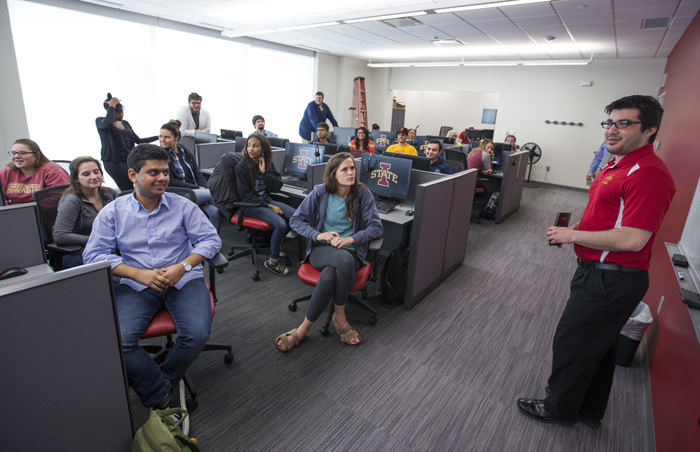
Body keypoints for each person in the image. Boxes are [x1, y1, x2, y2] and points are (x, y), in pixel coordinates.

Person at [517, 95, 675, 428]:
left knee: (572, 343)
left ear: (649, 130)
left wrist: (572, 237)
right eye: (609, 122)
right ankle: (589, 408)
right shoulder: (617, 165)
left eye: (624, 123)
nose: (612, 131)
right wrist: (574, 228)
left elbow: (634, 238)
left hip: (611, 279)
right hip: (602, 273)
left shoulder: (648, 173)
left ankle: (557, 409)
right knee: (599, 348)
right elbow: (603, 217)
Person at [83, 144, 221, 435]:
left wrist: (182, 266)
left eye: (165, 172)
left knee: (197, 334)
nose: (162, 178)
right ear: (133, 174)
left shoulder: (183, 205)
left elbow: (210, 241)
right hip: (136, 283)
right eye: (153, 172)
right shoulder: (114, 212)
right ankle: (162, 394)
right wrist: (138, 274)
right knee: (119, 342)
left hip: (182, 279)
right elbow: (94, 255)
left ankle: (165, 379)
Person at [277, 153, 383, 351]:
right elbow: (296, 220)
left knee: (330, 275)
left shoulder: (363, 194)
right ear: (334, 174)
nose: (351, 172)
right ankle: (340, 317)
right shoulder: (320, 193)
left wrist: (351, 239)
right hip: (322, 250)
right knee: (342, 262)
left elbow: (376, 228)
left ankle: (303, 329)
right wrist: (317, 235)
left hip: (351, 252)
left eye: (352, 168)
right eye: (345, 169)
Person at [235, 133, 295, 275]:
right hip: (250, 206)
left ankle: (278, 242)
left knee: (296, 216)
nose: (251, 149)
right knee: (280, 224)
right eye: (249, 145)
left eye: (255, 146)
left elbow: (277, 186)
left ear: (263, 149)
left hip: (264, 200)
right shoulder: (241, 167)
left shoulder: (267, 164)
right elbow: (246, 196)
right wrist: (269, 206)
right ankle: (272, 262)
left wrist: (264, 173)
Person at [53, 156, 119, 269]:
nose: (93, 177)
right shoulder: (72, 200)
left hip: (110, 248)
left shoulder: (110, 194)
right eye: (86, 174)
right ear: (76, 178)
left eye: (96, 172)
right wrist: (99, 239)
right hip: (80, 253)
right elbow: (60, 236)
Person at [159, 120, 221, 231]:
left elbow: (197, 174)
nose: (162, 140)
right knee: (213, 195)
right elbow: (171, 181)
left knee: (214, 212)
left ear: (176, 138)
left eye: (166, 137)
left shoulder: (184, 151)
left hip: (196, 192)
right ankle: (233, 215)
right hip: (180, 193)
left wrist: (204, 188)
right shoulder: (161, 156)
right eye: (160, 136)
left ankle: (213, 244)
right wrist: (198, 188)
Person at [96, 95, 157, 190]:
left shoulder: (125, 123)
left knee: (140, 183)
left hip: (128, 159)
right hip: (114, 162)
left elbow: (138, 140)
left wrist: (157, 137)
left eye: (122, 112)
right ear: (111, 112)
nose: (121, 115)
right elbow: (107, 122)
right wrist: (112, 106)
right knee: (127, 187)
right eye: (117, 113)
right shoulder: (101, 121)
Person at [1, 138, 69, 205]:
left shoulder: (52, 171)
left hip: (43, 212)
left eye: (22, 153)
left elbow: (58, 198)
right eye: (13, 153)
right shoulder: (6, 171)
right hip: (13, 212)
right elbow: (2, 199)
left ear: (36, 155)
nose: (16, 156)